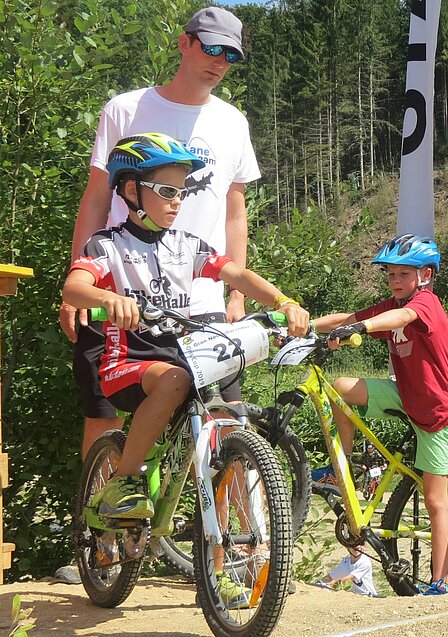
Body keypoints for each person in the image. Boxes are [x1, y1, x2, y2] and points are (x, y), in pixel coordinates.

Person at [62, 134, 307, 606]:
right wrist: (108, 298)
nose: (179, 201)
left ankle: (220, 570)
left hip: (178, 358)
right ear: (132, 191)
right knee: (176, 380)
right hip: (127, 362)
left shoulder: (184, 244)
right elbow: (75, 287)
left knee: (217, 424)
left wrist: (282, 301)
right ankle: (125, 481)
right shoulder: (107, 245)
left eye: (183, 192)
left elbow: (234, 273)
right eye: (167, 190)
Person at [61, 6, 260, 459]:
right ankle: (103, 526)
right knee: (103, 416)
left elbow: (235, 210)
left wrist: (237, 294)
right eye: (211, 48)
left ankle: (234, 534)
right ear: (184, 43)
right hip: (121, 293)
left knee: (225, 425)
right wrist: (74, 290)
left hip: (202, 303)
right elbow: (95, 199)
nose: (220, 62)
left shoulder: (233, 122)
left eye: (231, 55)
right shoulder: (126, 109)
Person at [311, 234, 448, 596]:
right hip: (404, 396)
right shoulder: (394, 304)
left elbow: (403, 316)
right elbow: (349, 317)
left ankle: (439, 581)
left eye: (403, 274)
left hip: (435, 410)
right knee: (341, 388)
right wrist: (305, 326)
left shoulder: (426, 304)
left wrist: (362, 328)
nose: (395, 281)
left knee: (435, 500)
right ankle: (341, 470)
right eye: (391, 274)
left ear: (424, 275)